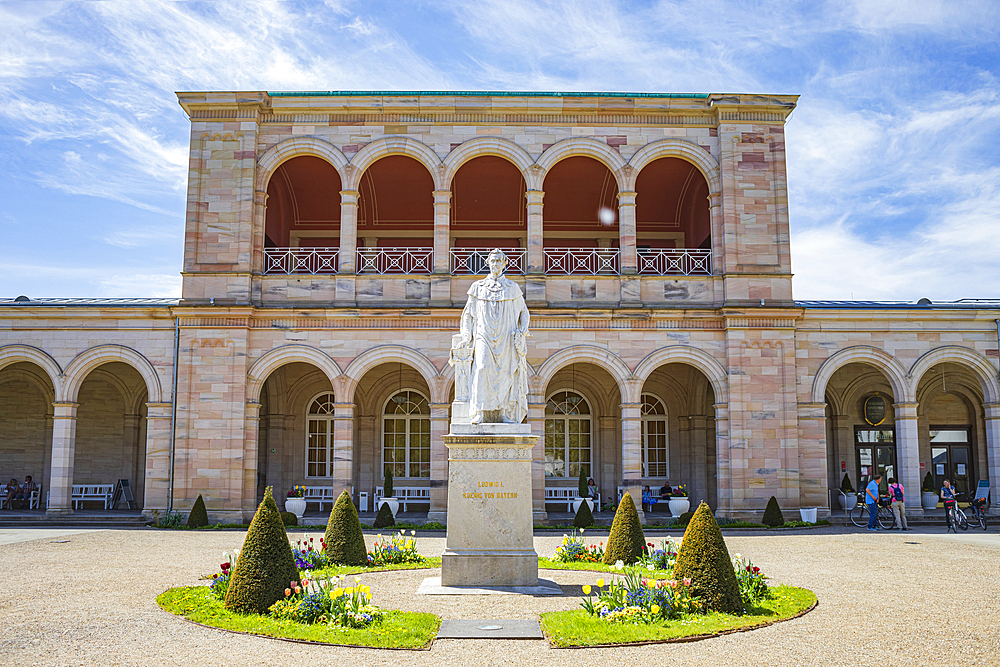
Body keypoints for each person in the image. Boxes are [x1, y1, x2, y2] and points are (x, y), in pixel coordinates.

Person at [456, 249, 531, 425]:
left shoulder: (512, 288)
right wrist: (466, 337)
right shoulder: (477, 287)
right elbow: (468, 314)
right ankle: (481, 411)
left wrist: (522, 331)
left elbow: (524, 313)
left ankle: (502, 412)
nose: (496, 264)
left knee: (505, 373)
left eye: (499, 261)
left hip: (506, 337)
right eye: (493, 261)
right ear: (488, 263)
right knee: (481, 368)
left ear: (505, 264)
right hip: (484, 335)